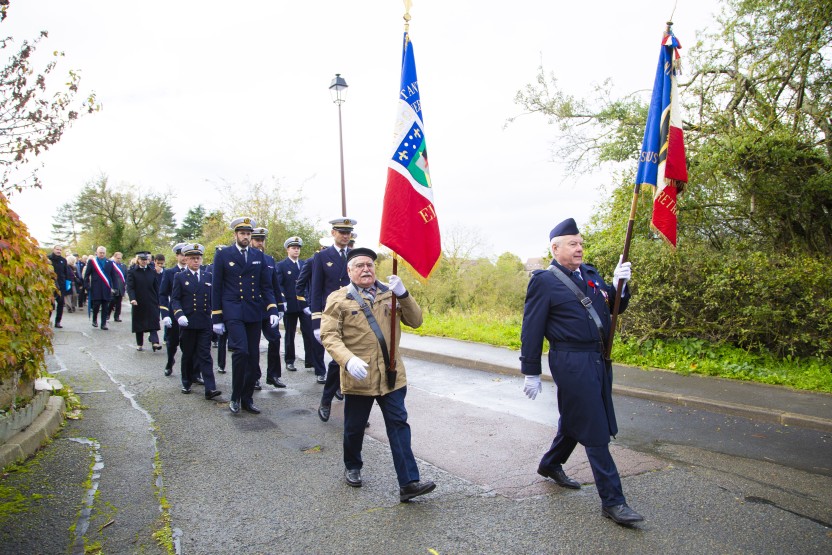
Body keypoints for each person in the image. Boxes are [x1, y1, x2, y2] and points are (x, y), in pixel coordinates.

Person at [519, 217, 642, 526]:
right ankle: (613, 501)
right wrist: (530, 370)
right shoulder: (544, 281)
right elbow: (531, 329)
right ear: (555, 247)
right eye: (573, 244)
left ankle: (551, 463)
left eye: (581, 243)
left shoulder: (590, 274)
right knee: (595, 425)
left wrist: (618, 286)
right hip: (570, 360)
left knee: (579, 417)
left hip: (598, 358)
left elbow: (614, 307)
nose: (580, 249)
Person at [321, 247, 435, 501]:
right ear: (349, 271)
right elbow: (329, 335)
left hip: (391, 374)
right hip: (359, 376)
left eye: (370, 265)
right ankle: (353, 466)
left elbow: (416, 321)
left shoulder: (390, 293)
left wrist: (404, 294)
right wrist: (347, 360)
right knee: (354, 427)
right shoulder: (339, 299)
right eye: (359, 265)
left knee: (398, 425)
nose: (366, 269)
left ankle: (408, 483)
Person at [211, 217, 280, 415]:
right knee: (240, 352)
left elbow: (265, 285)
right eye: (242, 233)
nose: (246, 237)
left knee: (253, 355)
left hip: (253, 310)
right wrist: (216, 317)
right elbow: (217, 286)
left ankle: (247, 398)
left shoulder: (257, 255)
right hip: (232, 309)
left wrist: (272, 308)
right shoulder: (224, 255)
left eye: (248, 234)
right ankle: (235, 396)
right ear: (235, 235)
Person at [312, 217, 357, 419]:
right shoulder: (322, 257)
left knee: (355, 359)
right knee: (337, 361)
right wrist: (315, 320)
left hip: (354, 313)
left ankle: (357, 412)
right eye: (341, 232)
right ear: (333, 233)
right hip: (332, 314)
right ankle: (326, 399)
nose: (345, 236)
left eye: (348, 233)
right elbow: (316, 289)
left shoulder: (356, 256)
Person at [171, 243, 222, 400]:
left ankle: (210, 387)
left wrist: (217, 317)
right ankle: (186, 381)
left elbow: (214, 298)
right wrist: (179, 315)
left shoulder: (208, 276)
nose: (196, 261)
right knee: (188, 353)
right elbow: (175, 299)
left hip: (204, 321)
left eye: (198, 258)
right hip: (188, 322)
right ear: (186, 259)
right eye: (193, 258)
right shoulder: (179, 277)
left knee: (205, 354)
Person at [250, 227, 286, 389]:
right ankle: (254, 376)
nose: (259, 243)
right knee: (254, 344)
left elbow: (274, 285)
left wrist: (280, 305)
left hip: (268, 308)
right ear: (251, 240)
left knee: (275, 338)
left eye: (262, 240)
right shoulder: (246, 259)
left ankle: (273, 375)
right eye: (256, 239)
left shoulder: (269, 260)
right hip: (252, 308)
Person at [276, 236, 315, 374]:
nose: (296, 250)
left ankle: (310, 360)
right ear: (288, 249)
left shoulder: (304, 264)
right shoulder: (281, 265)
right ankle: (289, 361)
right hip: (290, 305)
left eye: (298, 248)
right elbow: (279, 285)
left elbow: (309, 284)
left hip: (304, 305)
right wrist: (283, 301)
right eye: (293, 248)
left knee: (308, 333)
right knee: (290, 334)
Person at [159, 244, 188, 376]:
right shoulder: (170, 273)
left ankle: (193, 372)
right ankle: (170, 362)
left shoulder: (195, 272)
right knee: (172, 343)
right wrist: (165, 314)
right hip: (174, 313)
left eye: (185, 255)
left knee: (191, 345)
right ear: (177, 256)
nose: (184, 258)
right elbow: (163, 294)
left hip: (190, 313)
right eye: (181, 255)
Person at [126, 251, 163, 352]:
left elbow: (156, 286)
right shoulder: (133, 271)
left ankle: (155, 342)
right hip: (138, 300)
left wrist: (159, 299)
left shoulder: (152, 271)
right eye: (142, 260)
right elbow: (130, 287)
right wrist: (132, 298)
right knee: (139, 322)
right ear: (138, 260)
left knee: (153, 321)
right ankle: (139, 343)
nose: (144, 261)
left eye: (145, 260)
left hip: (151, 300)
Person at [83, 246, 117, 330]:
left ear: (105, 253)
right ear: (97, 253)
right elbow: (86, 275)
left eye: (103, 253)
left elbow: (113, 276)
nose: (102, 254)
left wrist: (115, 287)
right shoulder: (92, 262)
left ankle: (103, 324)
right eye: (100, 253)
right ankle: (94, 319)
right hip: (96, 287)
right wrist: (87, 286)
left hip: (106, 287)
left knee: (105, 306)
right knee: (96, 305)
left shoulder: (109, 263)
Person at [47, 245, 68, 328]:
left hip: (61, 285)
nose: (58, 251)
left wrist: (66, 285)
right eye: (57, 249)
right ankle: (47, 320)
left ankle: (58, 322)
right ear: (53, 249)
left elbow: (66, 273)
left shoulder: (63, 260)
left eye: (60, 250)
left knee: (61, 303)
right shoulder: (48, 259)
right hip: (50, 285)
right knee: (50, 304)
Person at [110, 251, 127, 322]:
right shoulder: (111, 265)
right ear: (114, 257)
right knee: (112, 301)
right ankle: (107, 314)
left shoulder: (123, 266)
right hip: (114, 286)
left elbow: (126, 275)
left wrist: (126, 284)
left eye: (120, 258)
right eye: (117, 258)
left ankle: (117, 316)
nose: (119, 259)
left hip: (121, 286)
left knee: (119, 302)